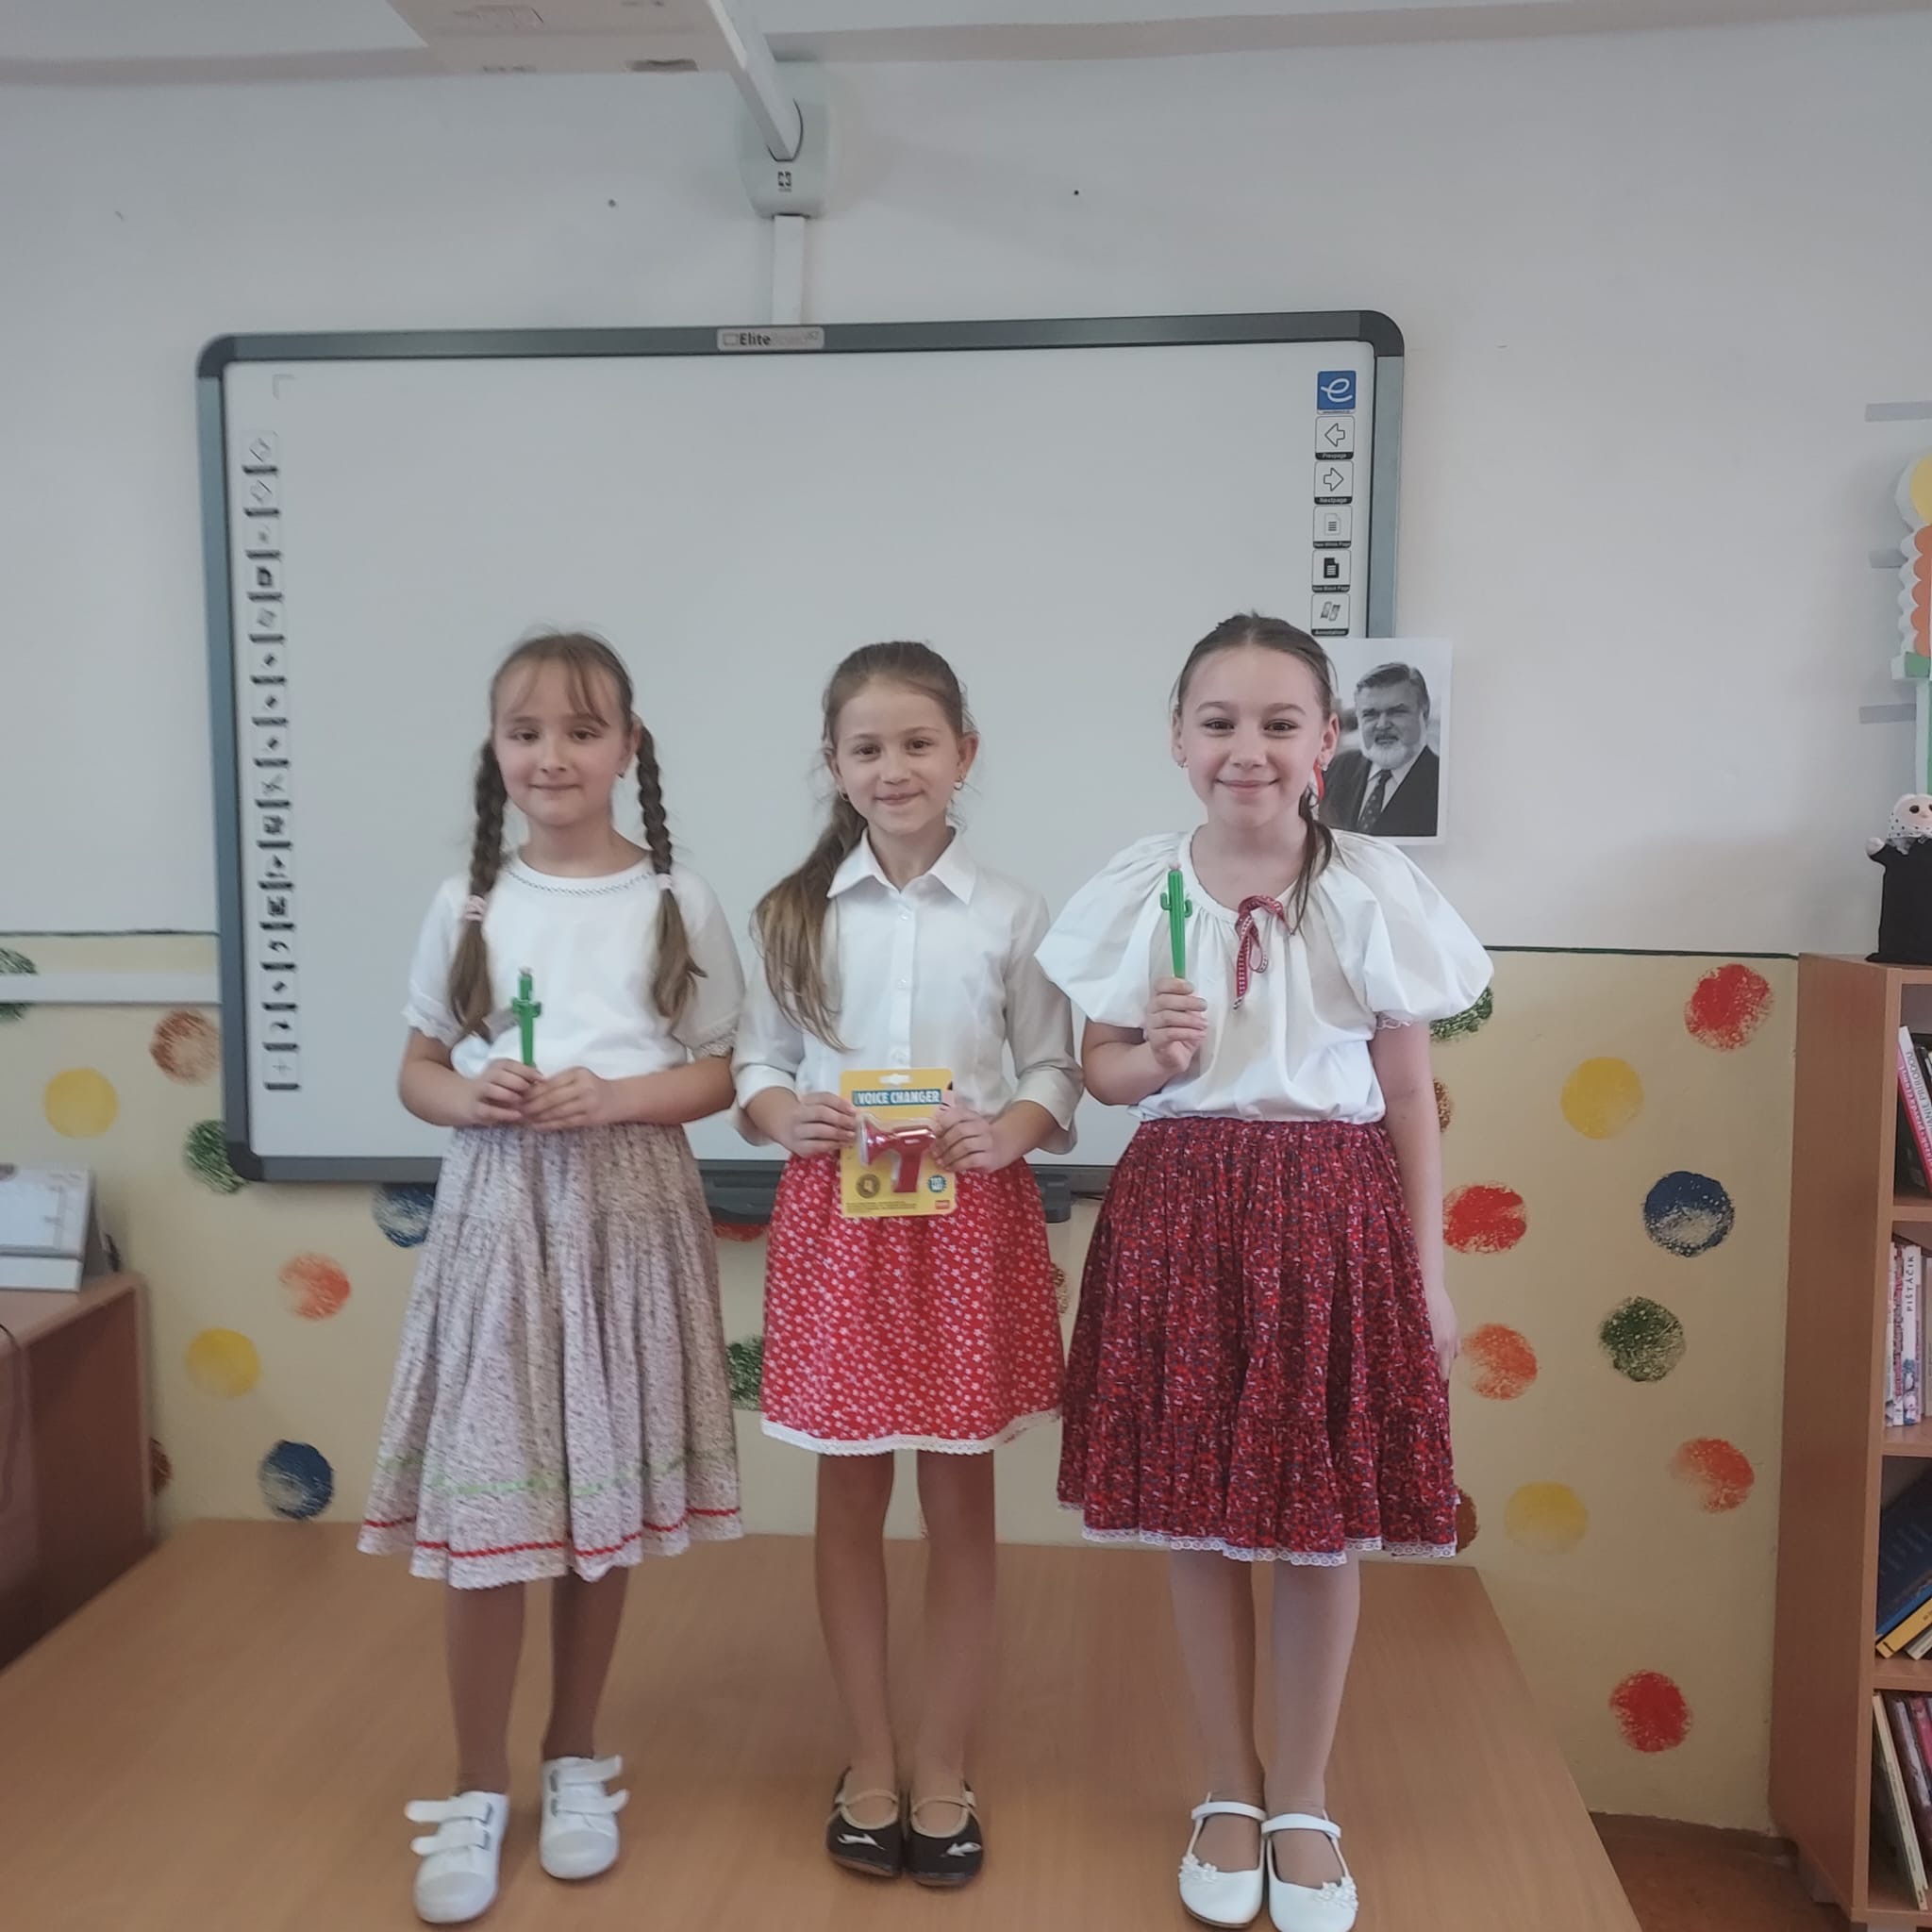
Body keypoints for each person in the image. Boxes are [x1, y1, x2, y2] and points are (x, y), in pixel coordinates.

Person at [1037, 614, 1489, 1932]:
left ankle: (1301, 1795)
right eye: (1219, 722)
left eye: (1280, 722)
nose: (1248, 748)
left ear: (1326, 740)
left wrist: (1427, 1273)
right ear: (1177, 739)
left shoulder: (1371, 888)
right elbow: (1101, 1070)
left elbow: (1405, 1093)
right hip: (1181, 1212)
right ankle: (1225, 1787)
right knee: (1197, 1517)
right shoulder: (1139, 886)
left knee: (1317, 1522)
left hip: (1331, 1218)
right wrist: (1155, 1057)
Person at [358, 631, 746, 1925]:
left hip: (625, 1213)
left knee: (596, 1494)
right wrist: (468, 1096)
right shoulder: (467, 902)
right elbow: (417, 1070)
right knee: (490, 1513)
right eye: (526, 732)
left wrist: (617, 1094)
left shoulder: (676, 897)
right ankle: (477, 1784)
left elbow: (721, 1070)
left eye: (582, 730)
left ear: (629, 747)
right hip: (499, 1216)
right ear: (496, 750)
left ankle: (573, 1753)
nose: (553, 755)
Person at [734, 641, 1080, 1888]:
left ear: (963, 754)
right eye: (867, 747)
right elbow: (756, 1066)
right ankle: (869, 1759)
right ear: (833, 764)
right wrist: (784, 1115)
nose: (894, 768)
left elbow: (1054, 1069)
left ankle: (942, 1762)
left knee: (959, 1500)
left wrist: (1010, 1131)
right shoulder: (792, 913)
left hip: (964, 1226)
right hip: (841, 1228)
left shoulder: (1013, 912)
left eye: (918, 743)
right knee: (846, 1497)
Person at [1319, 661, 1439, 839]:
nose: (1382, 725)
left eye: (1396, 712)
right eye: (1371, 714)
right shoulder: (1336, 769)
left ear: (1424, 713)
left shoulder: (1440, 780)